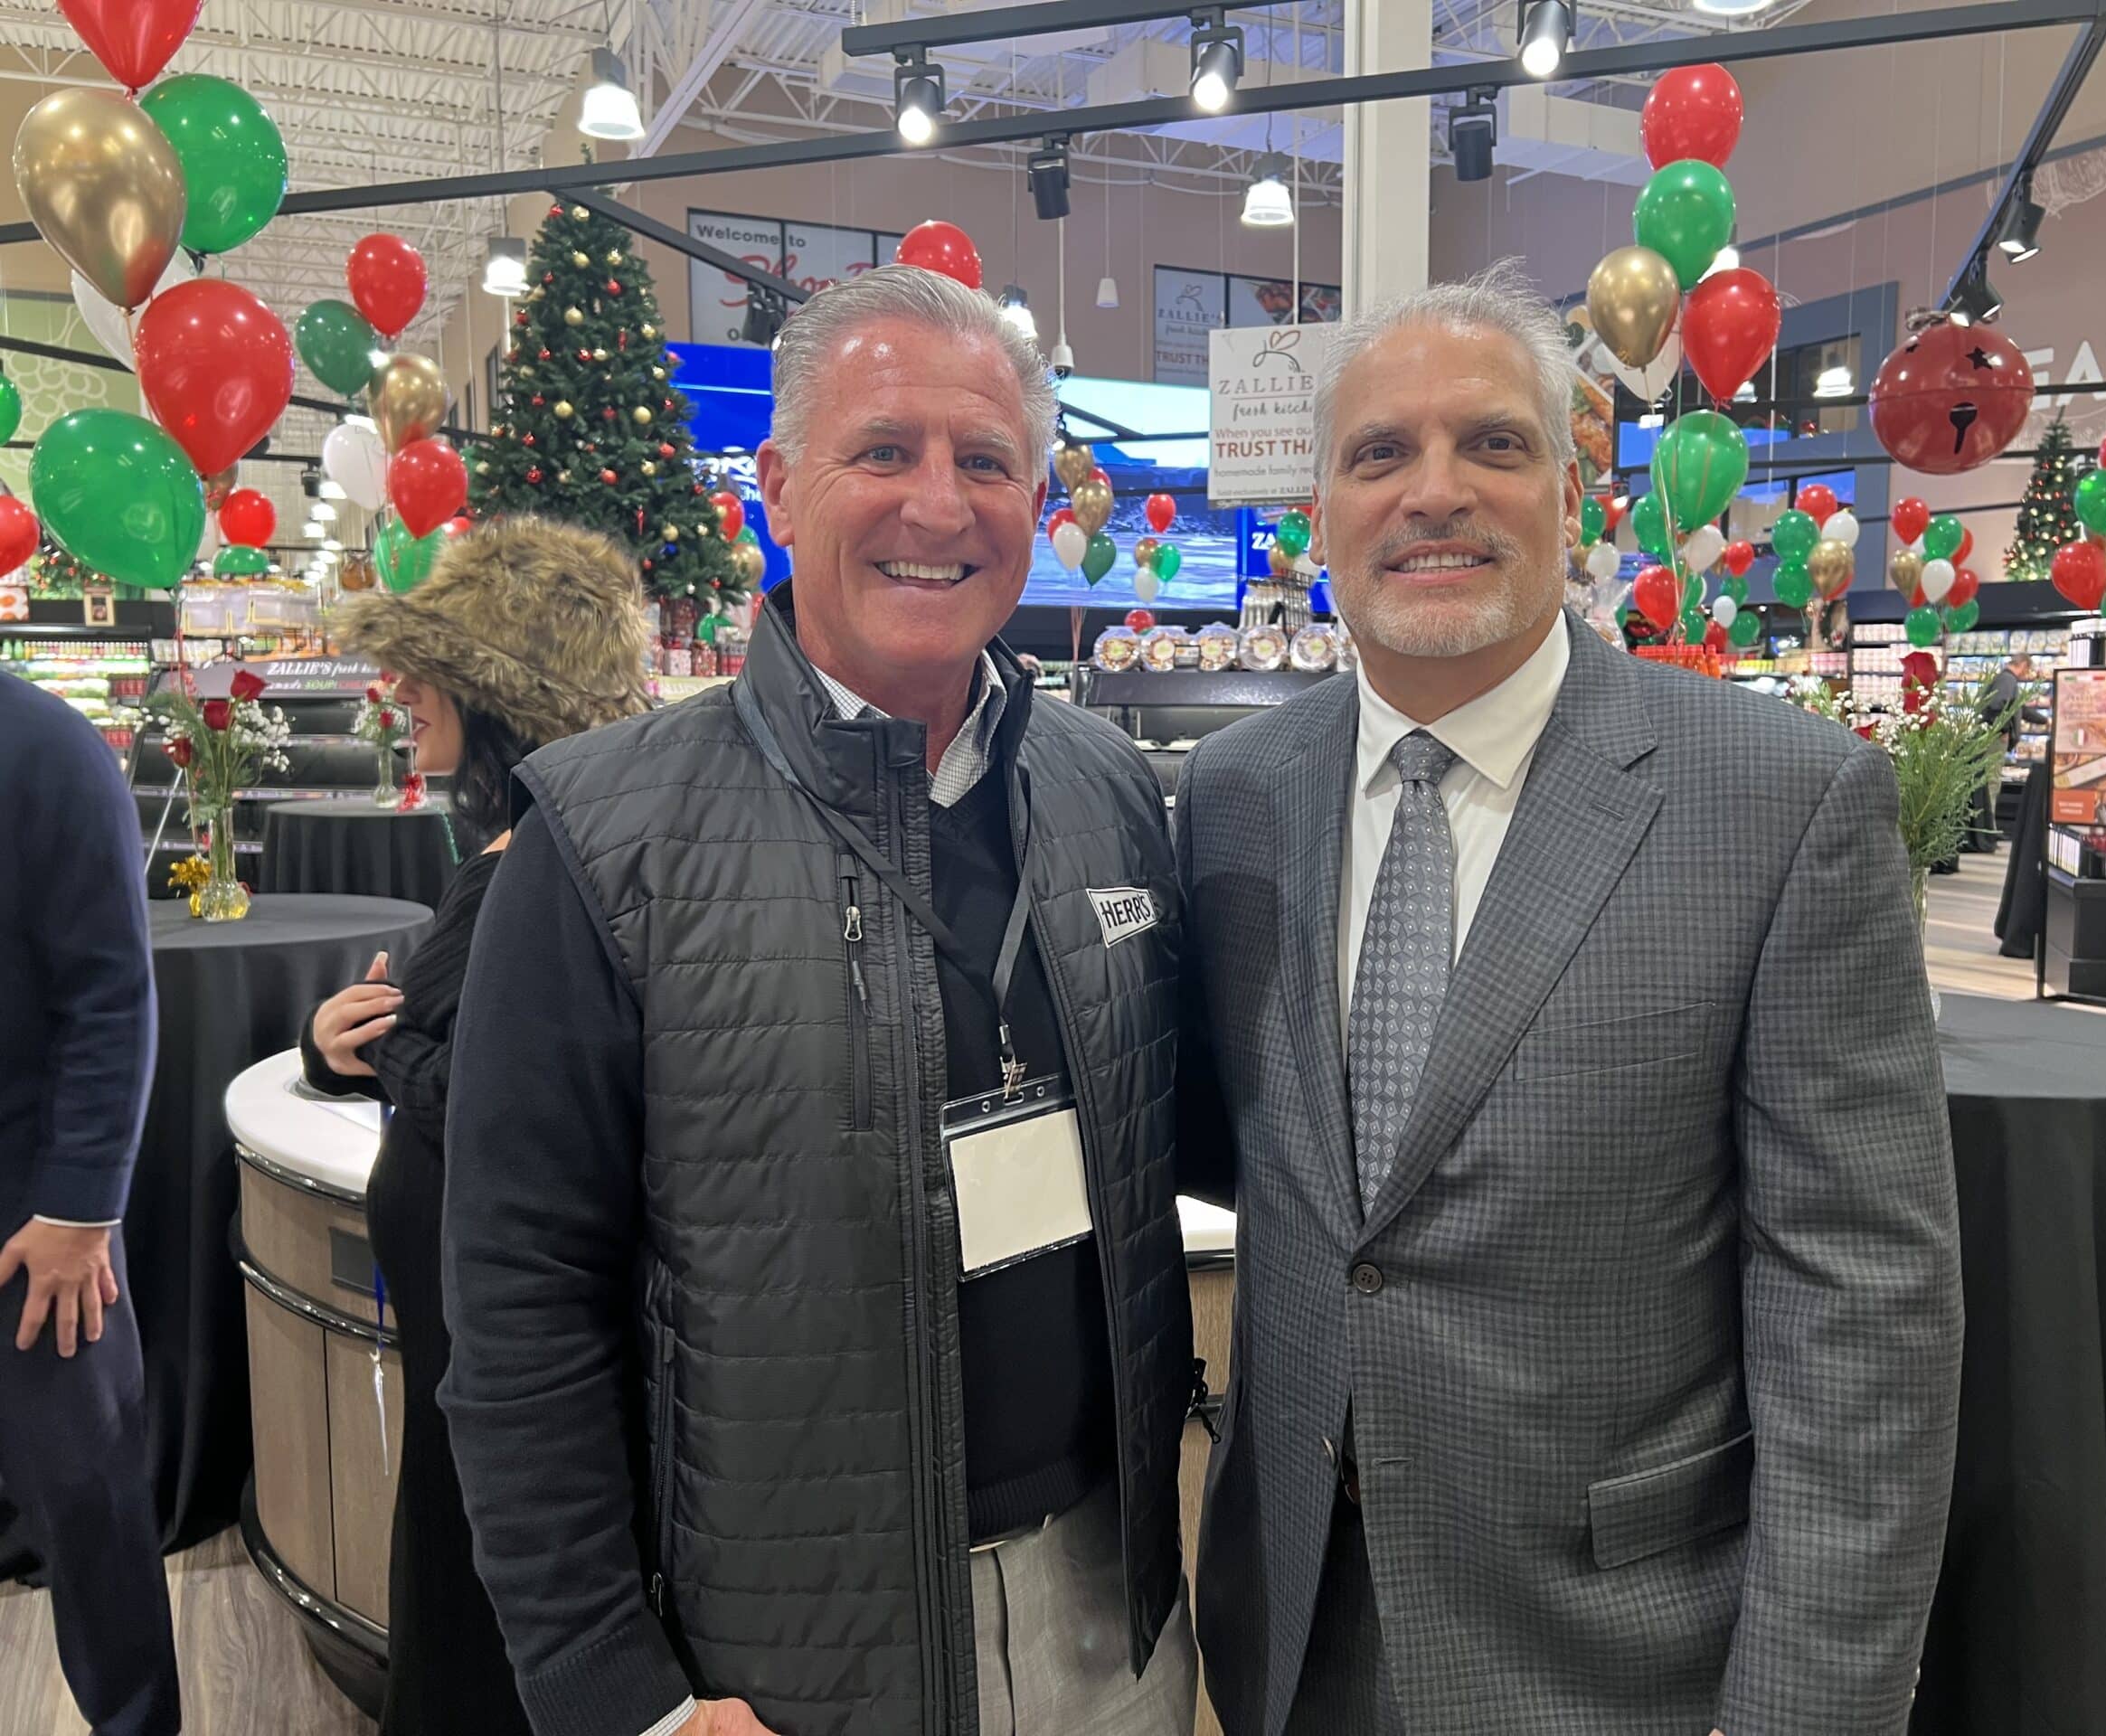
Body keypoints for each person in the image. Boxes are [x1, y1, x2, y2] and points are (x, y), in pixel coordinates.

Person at [1174, 259, 1965, 1736]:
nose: (1435, 493)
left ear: (1574, 488)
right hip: (1294, 1629)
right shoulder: (1236, 794)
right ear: (1321, 512)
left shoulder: (1779, 803)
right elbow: (1270, 1172)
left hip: (1617, 1659)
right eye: (1380, 454)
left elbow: (1861, 1318)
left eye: (1493, 442)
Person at [441, 263, 1198, 1736]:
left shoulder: (1109, 791)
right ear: (781, 491)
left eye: (988, 461)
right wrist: (619, 1694)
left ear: (1039, 501)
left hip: (1115, 1618)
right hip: (787, 1665)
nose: (939, 504)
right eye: (884, 450)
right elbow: (519, 1309)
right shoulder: (604, 841)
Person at [298, 515, 653, 1736]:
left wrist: (391, 1052)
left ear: (502, 692)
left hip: (506, 1352)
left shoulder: (539, 870)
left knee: (483, 1610)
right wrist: (353, 1049)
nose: (403, 692)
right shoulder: (520, 851)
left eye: (428, 668)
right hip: (471, 1337)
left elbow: (527, 1105)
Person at [0, 674, 179, 1735]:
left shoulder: (46, 746)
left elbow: (112, 992)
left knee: (87, 1499)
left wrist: (78, 1209)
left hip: (32, 1215)